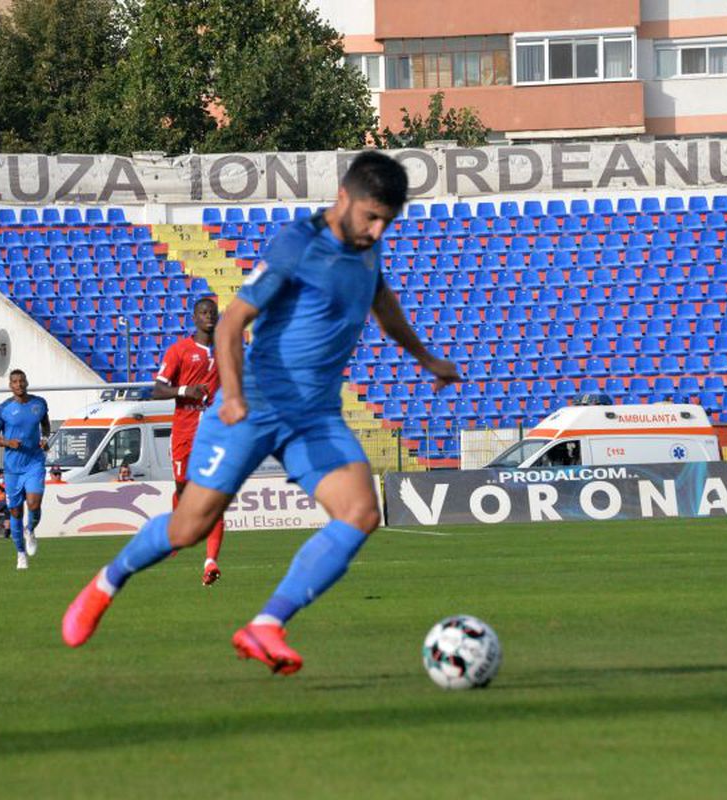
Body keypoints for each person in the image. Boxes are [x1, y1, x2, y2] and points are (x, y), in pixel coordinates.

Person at [62, 151, 460, 675]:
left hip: (314, 416)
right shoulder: (298, 246)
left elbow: (382, 304)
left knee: (361, 513)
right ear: (344, 198)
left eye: (389, 219)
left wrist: (426, 356)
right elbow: (231, 325)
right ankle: (106, 582)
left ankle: (267, 624)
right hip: (253, 405)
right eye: (371, 216)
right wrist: (232, 396)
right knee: (188, 528)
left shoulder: (368, 248)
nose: (379, 228)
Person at [151, 296, 225, 585]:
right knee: (183, 490)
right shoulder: (179, 350)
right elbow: (158, 390)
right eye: (203, 313)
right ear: (194, 318)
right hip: (184, 432)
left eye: (212, 312)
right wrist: (184, 390)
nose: (208, 316)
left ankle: (210, 562)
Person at [0, 369, 51, 570]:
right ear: (10, 385)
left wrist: (45, 439)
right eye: (14, 381)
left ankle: (30, 530)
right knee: (15, 511)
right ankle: (20, 553)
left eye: (21, 381)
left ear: (26, 382)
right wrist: (7, 442)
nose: (19, 384)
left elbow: (45, 425)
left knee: (34, 503)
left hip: (34, 462)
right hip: (13, 467)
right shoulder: (3, 409)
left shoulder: (39, 404)